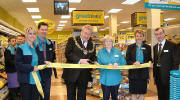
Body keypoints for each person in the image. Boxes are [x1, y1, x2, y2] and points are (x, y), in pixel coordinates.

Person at [62, 25, 96, 100]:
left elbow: (93, 57)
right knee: (71, 95)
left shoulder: (92, 44)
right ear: (81, 32)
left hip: (84, 74)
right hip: (71, 73)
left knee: (82, 95)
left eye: (89, 34)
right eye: (85, 33)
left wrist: (95, 62)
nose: (87, 35)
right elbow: (68, 53)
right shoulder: (72, 40)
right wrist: (80, 60)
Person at [153, 27, 179, 100]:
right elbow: (155, 61)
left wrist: (173, 76)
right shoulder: (155, 47)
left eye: (160, 33)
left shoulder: (172, 45)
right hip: (158, 77)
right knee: (160, 95)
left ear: (164, 34)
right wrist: (154, 76)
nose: (159, 36)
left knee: (168, 96)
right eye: (157, 34)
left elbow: (176, 62)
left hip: (168, 77)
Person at [97, 35, 126, 100]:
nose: (108, 43)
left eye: (110, 41)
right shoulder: (100, 52)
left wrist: (118, 64)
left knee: (115, 97)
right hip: (105, 79)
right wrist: (106, 66)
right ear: (104, 43)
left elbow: (124, 63)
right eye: (106, 41)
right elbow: (98, 66)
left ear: (112, 42)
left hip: (116, 78)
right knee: (105, 97)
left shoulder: (118, 51)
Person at [15, 27, 41, 100]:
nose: (32, 35)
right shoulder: (21, 48)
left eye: (34, 33)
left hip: (36, 79)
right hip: (26, 80)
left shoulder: (36, 48)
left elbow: (38, 61)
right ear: (26, 35)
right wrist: (31, 68)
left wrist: (45, 62)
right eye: (30, 33)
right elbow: (18, 64)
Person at [126, 30, 152, 100]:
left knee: (141, 92)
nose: (139, 38)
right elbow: (127, 60)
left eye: (141, 36)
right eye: (137, 36)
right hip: (133, 73)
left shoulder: (148, 47)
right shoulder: (130, 47)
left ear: (143, 37)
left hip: (143, 73)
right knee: (133, 92)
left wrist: (150, 63)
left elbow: (150, 59)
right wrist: (133, 63)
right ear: (135, 37)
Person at [36, 22, 54, 100]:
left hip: (47, 72)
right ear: (38, 30)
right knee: (37, 93)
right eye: (42, 29)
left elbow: (51, 56)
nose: (44, 31)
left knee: (46, 93)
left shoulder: (49, 43)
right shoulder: (33, 42)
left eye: (46, 30)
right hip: (36, 72)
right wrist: (43, 62)